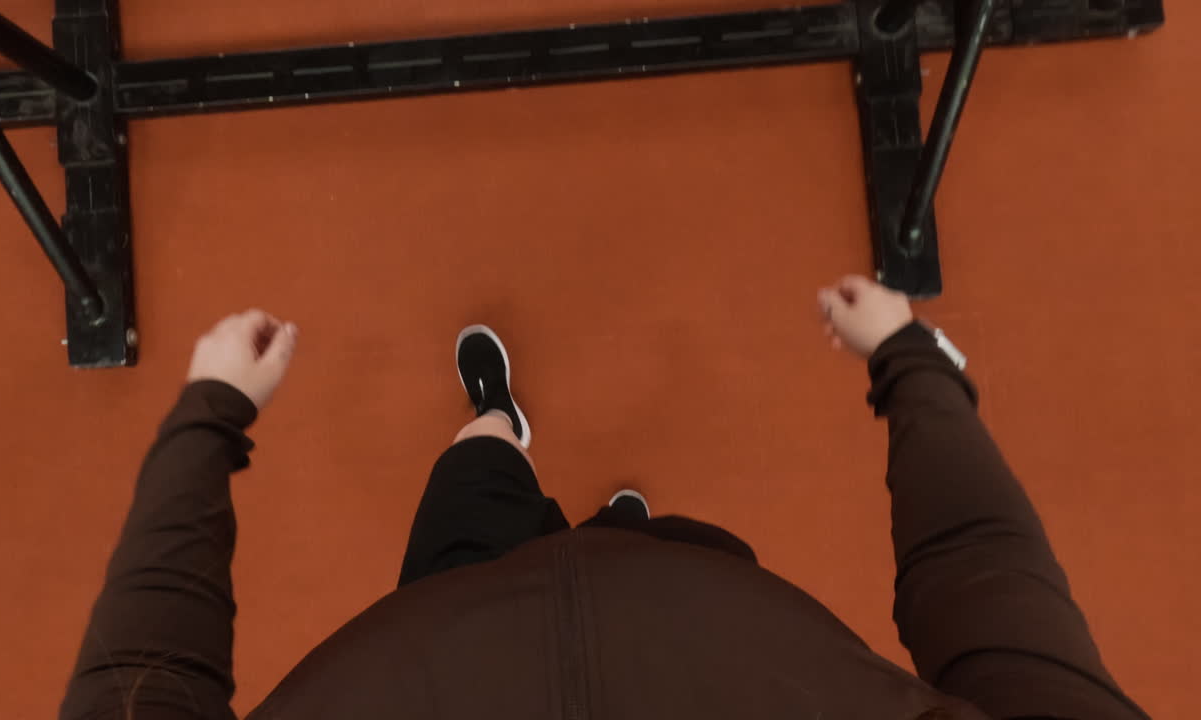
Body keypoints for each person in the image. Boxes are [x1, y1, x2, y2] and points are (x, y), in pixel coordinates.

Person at [58, 276, 1149, 720]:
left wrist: (211, 411)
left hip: (452, 604)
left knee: (473, 471)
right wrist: (910, 362)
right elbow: (989, 586)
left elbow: (141, 675)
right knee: (663, 539)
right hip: (695, 593)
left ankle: (499, 430)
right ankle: (620, 528)